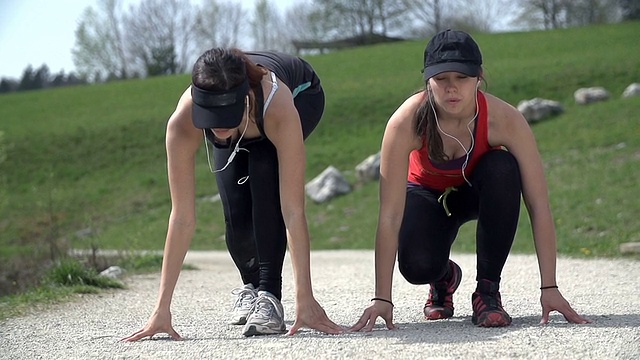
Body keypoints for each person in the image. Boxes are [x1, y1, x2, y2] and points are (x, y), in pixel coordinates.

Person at [350, 29, 591, 331]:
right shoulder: (405, 122)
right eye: (442, 79)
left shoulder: (505, 119)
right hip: (426, 194)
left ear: (479, 76)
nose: (452, 89)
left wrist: (549, 287)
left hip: (478, 191)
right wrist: (381, 298)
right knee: (416, 266)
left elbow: (539, 204)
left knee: (502, 167)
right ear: (428, 80)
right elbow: (389, 215)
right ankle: (444, 277)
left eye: (462, 78)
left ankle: (487, 293)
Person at [122, 48, 343, 340]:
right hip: (243, 112)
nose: (220, 128)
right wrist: (161, 309)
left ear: (244, 98)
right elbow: (182, 218)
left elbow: (292, 209)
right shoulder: (183, 121)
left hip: (302, 96)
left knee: (264, 168)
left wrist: (306, 298)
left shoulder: (276, 104)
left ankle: (270, 296)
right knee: (236, 210)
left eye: (227, 118)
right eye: (213, 119)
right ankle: (251, 287)